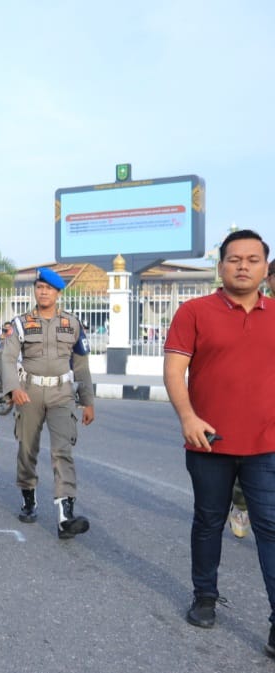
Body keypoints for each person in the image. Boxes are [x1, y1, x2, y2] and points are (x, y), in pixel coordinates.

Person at [163, 229, 275, 656]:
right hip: (208, 440)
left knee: (271, 528)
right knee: (208, 521)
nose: (243, 266)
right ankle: (204, 597)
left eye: (252, 258)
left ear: (265, 266)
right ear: (221, 265)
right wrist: (188, 417)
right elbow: (174, 371)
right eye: (234, 259)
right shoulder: (194, 312)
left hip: (267, 444)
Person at [0, 267, 94, 538]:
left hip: (62, 393)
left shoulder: (72, 324)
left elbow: (81, 365)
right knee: (27, 448)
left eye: (48, 289)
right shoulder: (21, 323)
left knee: (62, 451)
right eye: (39, 287)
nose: (43, 292)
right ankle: (28, 497)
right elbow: (8, 358)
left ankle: (66, 515)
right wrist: (13, 388)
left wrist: (87, 400)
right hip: (29, 391)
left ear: (57, 293)